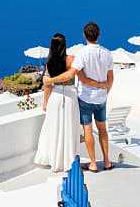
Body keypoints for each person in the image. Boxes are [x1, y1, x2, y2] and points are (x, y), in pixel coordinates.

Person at [43, 22, 114, 172]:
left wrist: (50, 80)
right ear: (99, 34)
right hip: (101, 98)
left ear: (84, 35)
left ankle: (93, 164)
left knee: (88, 130)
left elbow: (76, 77)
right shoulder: (107, 53)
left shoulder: (82, 53)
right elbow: (110, 79)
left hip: (86, 98)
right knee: (102, 129)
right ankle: (107, 161)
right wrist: (104, 89)